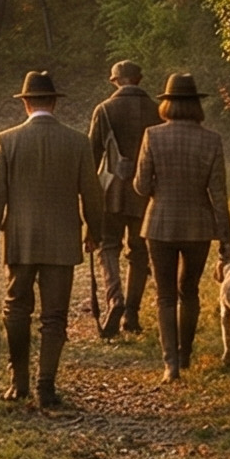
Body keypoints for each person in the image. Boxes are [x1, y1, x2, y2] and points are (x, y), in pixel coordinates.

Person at [0, 68, 106, 409]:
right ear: (53, 102)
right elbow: (91, 195)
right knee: (55, 315)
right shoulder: (77, 142)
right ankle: (45, 384)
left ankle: (18, 380)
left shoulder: (6, 140)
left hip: (20, 240)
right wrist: (95, 232)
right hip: (63, 240)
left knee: (15, 309)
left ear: (26, 104)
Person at [131, 72, 230, 382]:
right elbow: (218, 194)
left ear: (167, 104)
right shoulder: (211, 140)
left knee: (164, 295)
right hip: (198, 227)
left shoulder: (152, 136)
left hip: (159, 223)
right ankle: (186, 354)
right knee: (188, 291)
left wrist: (157, 191)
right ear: (196, 106)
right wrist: (225, 238)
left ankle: (170, 364)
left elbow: (140, 185)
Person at [86, 58, 161, 338]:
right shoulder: (156, 110)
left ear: (115, 81)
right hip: (145, 193)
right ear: (139, 80)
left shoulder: (104, 110)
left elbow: (92, 155)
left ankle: (114, 298)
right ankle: (131, 313)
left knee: (108, 247)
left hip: (111, 191)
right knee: (139, 252)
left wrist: (87, 195)